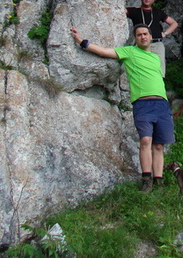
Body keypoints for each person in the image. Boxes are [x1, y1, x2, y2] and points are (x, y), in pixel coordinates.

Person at [70, 23, 175, 193]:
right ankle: (146, 180)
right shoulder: (129, 52)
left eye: (145, 34)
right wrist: (82, 41)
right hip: (142, 103)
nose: (143, 37)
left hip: (161, 104)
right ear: (135, 38)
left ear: (150, 37)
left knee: (159, 145)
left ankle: (159, 180)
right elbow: (105, 51)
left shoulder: (156, 58)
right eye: (139, 34)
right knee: (146, 140)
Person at [126, 0, 178, 76]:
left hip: (156, 43)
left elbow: (174, 23)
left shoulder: (158, 12)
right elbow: (119, 10)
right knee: (139, 70)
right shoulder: (135, 11)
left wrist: (164, 34)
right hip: (140, 45)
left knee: (158, 71)